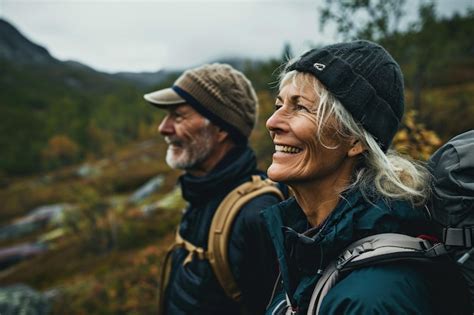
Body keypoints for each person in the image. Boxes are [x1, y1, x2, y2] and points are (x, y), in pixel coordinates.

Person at [262, 40, 470, 314]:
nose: (272, 122)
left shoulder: (373, 298)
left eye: (300, 107)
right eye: (279, 104)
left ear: (354, 140)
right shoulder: (308, 246)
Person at [143, 63, 283, 315]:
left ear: (220, 129)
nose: (163, 128)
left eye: (178, 116)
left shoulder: (255, 215)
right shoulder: (200, 192)